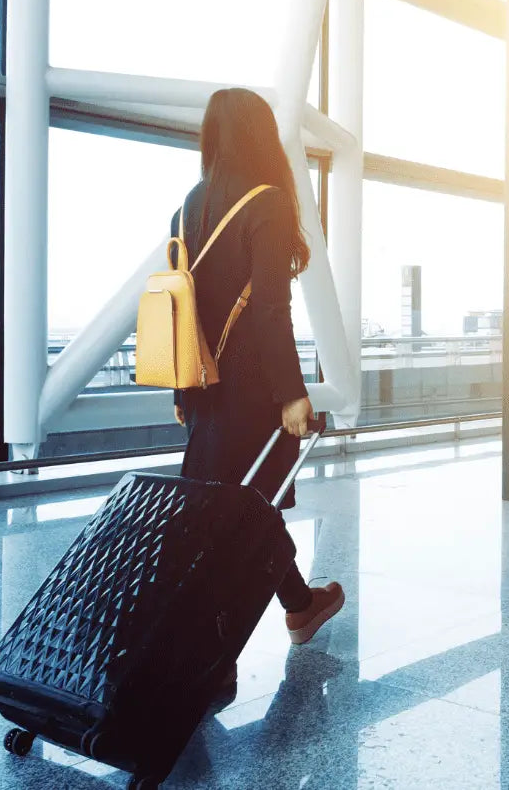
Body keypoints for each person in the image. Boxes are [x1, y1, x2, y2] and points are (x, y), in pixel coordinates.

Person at [171, 87, 346, 653]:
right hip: (250, 394)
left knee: (235, 514)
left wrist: (182, 391)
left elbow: (182, 312)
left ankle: (299, 608)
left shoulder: (186, 208)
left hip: (202, 389)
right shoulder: (266, 202)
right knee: (248, 515)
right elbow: (271, 309)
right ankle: (218, 655)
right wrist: (292, 394)